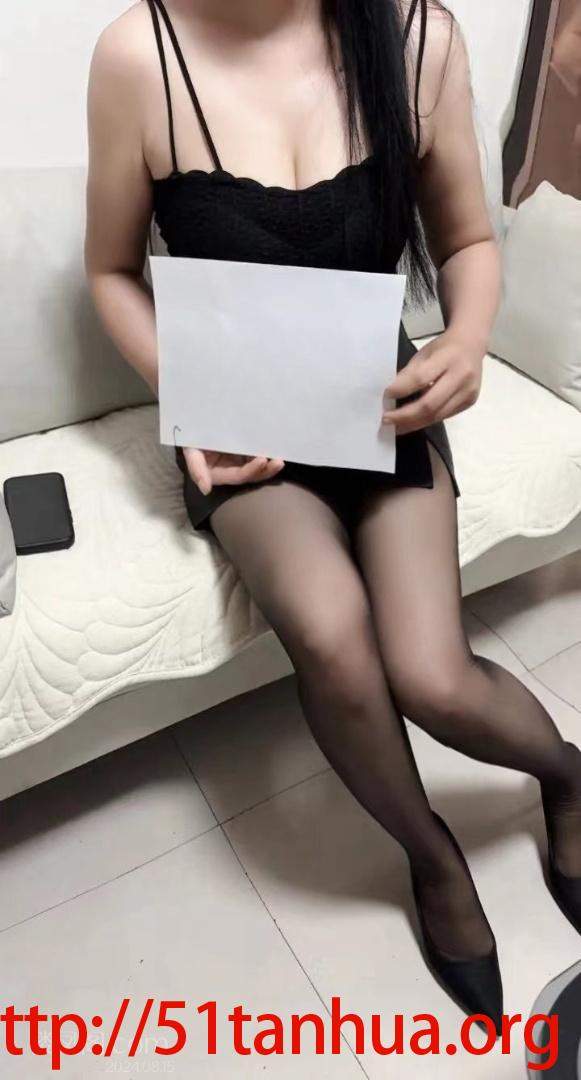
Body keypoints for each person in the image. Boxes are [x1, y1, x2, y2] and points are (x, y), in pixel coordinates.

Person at [85, 0, 581, 1032]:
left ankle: (567, 779)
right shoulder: (141, 51)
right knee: (328, 634)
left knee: (432, 676)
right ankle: (432, 859)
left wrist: (466, 339)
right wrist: (190, 398)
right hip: (237, 417)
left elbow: (465, 239)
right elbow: (109, 270)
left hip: (377, 400)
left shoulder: (414, 38)